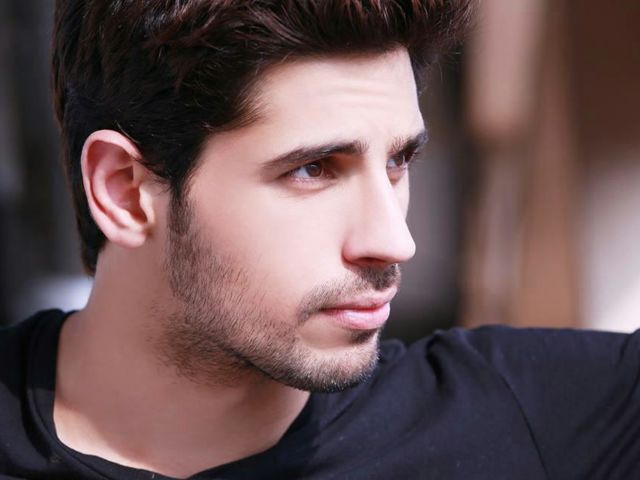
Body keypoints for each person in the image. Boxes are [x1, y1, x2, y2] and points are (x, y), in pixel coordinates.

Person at [1, 1, 639, 479]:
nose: (394, 240)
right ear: (125, 190)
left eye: (398, 162)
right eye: (312, 170)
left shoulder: (520, 415)